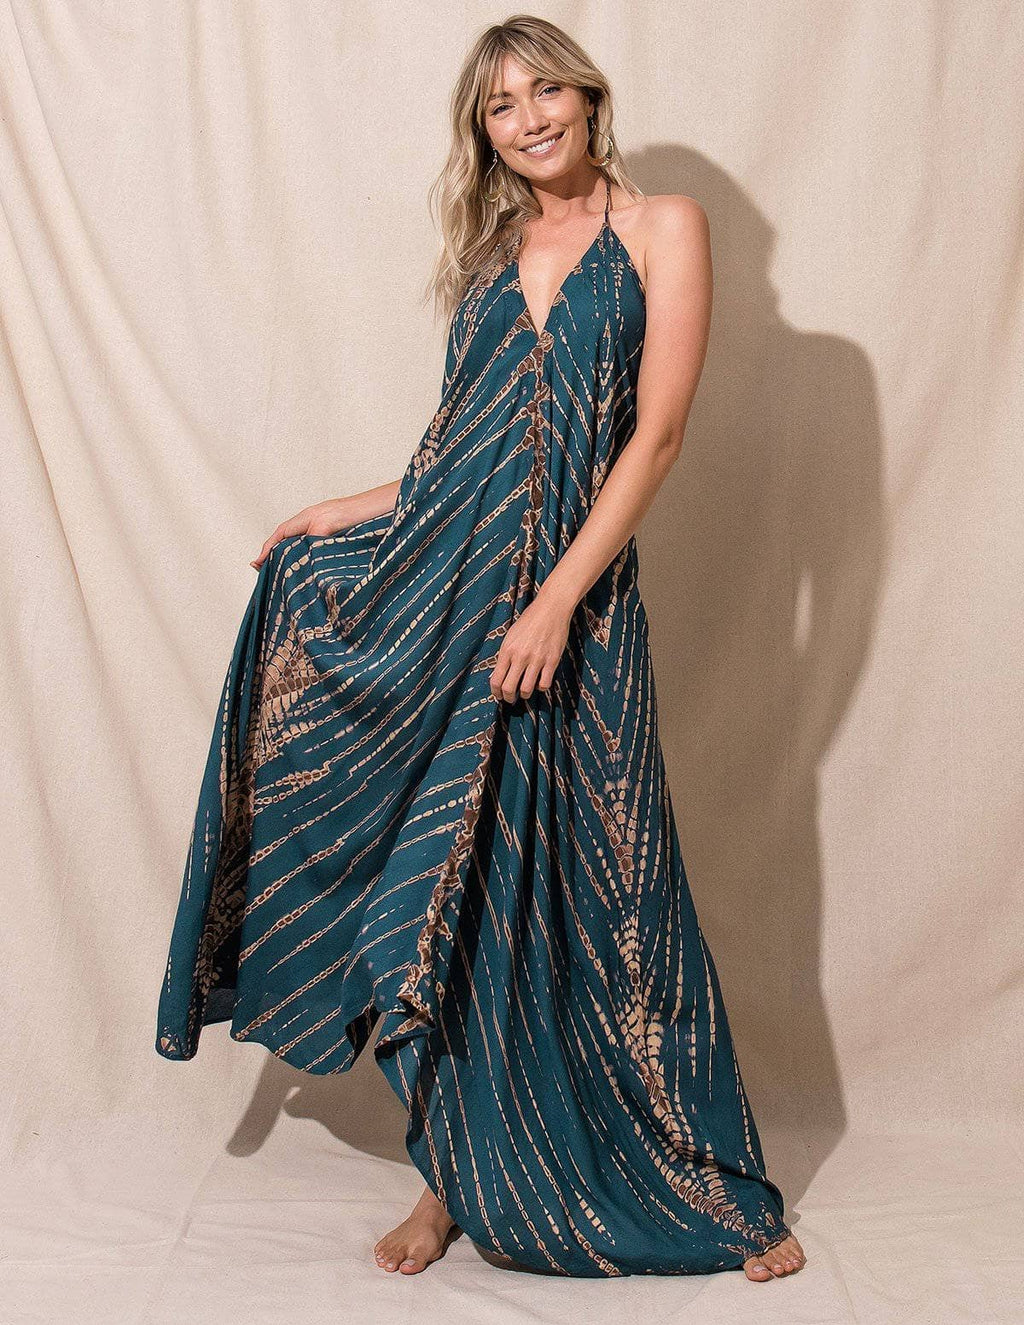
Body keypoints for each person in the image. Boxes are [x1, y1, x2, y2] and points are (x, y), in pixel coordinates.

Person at [155, 13, 806, 1283]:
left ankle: (686, 1172)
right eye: (500, 107)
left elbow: (654, 438)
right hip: (451, 600)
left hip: (575, 610)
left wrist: (556, 602)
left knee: (602, 890)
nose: (528, 119)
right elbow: (460, 457)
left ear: (587, 97)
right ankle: (449, 1177)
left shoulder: (666, 228)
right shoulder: (491, 257)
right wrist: (343, 510)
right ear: (484, 135)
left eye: (543, 91)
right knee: (449, 896)